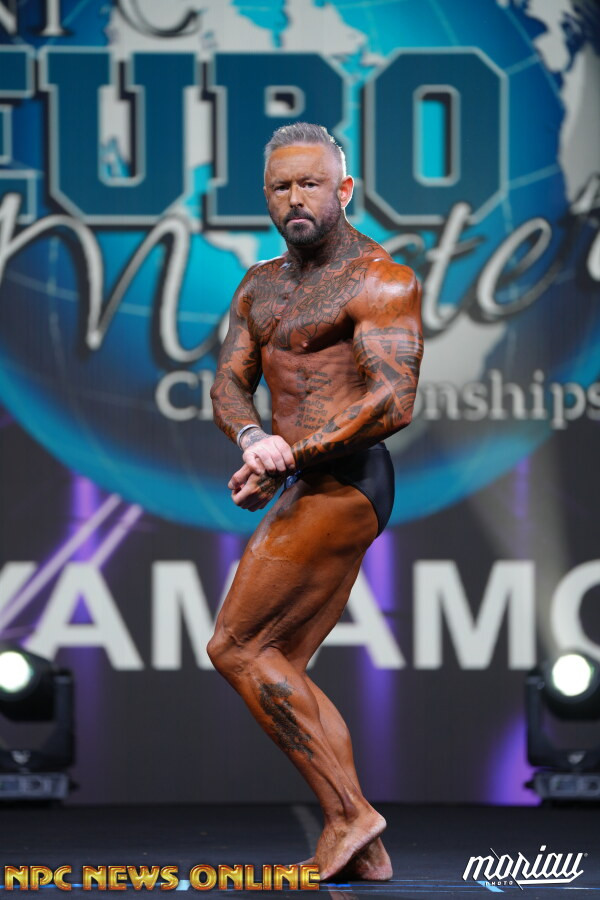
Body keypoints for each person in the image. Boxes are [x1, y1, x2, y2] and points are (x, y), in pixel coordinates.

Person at [208, 122, 423, 882]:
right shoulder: (260, 285)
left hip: (349, 478)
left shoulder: (381, 280)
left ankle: (350, 815)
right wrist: (253, 441)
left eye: (310, 183)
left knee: (237, 647)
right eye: (281, 186)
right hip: (307, 477)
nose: (295, 198)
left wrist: (291, 456)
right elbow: (229, 381)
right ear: (266, 196)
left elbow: (394, 401)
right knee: (283, 663)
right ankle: (364, 846)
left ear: (344, 190)